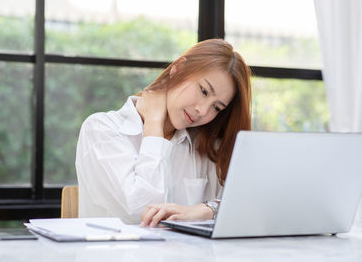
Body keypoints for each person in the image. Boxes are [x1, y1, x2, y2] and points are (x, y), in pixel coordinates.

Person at [75, 38, 252, 227]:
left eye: (217, 107)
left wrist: (205, 210)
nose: (203, 111)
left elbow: (245, 205)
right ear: (178, 68)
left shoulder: (203, 144)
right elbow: (141, 212)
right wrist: (154, 123)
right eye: (203, 91)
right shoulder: (101, 129)